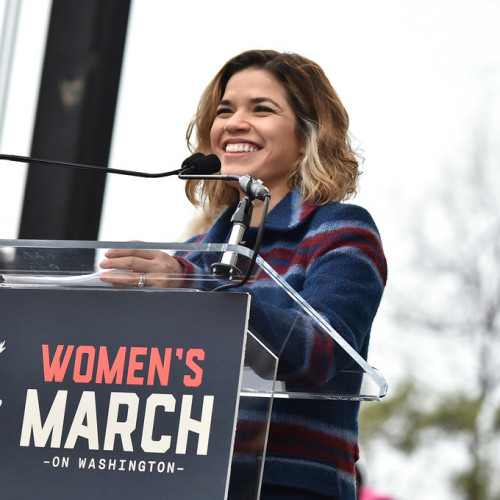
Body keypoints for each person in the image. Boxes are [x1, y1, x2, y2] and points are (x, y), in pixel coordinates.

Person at [100, 49, 387, 499]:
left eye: (261, 108)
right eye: (224, 110)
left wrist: (194, 286)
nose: (234, 122)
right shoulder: (192, 255)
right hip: (181, 480)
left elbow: (325, 356)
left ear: (308, 134)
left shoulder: (339, 231)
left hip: (288, 485)